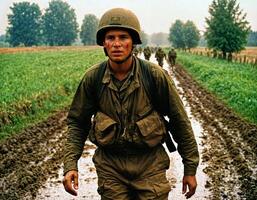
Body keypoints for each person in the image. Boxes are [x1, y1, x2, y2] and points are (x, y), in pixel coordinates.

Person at [63, 7, 199, 200]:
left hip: (150, 164)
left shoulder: (154, 76)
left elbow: (179, 120)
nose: (116, 44)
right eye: (110, 38)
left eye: (123, 37)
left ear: (133, 42)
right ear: (103, 42)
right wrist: (70, 165)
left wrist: (190, 167)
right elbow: (77, 122)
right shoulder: (93, 78)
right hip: (111, 166)